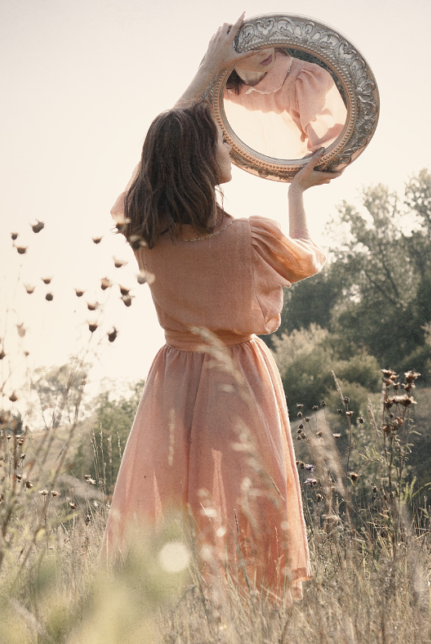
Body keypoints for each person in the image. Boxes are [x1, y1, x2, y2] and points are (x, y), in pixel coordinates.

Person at [100, 15, 342, 602]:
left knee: (177, 502)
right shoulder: (251, 237)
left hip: (175, 380)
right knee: (243, 503)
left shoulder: (147, 230)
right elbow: (308, 260)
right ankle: (244, 613)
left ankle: (184, 610)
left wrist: (207, 73)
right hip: (240, 379)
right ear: (199, 163)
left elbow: (152, 163)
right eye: (215, 139)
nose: (225, 140)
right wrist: (297, 194)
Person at [223, 47, 347, 159]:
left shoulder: (307, 78)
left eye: (266, 36)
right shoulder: (219, 93)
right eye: (250, 47)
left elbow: (331, 152)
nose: (265, 50)